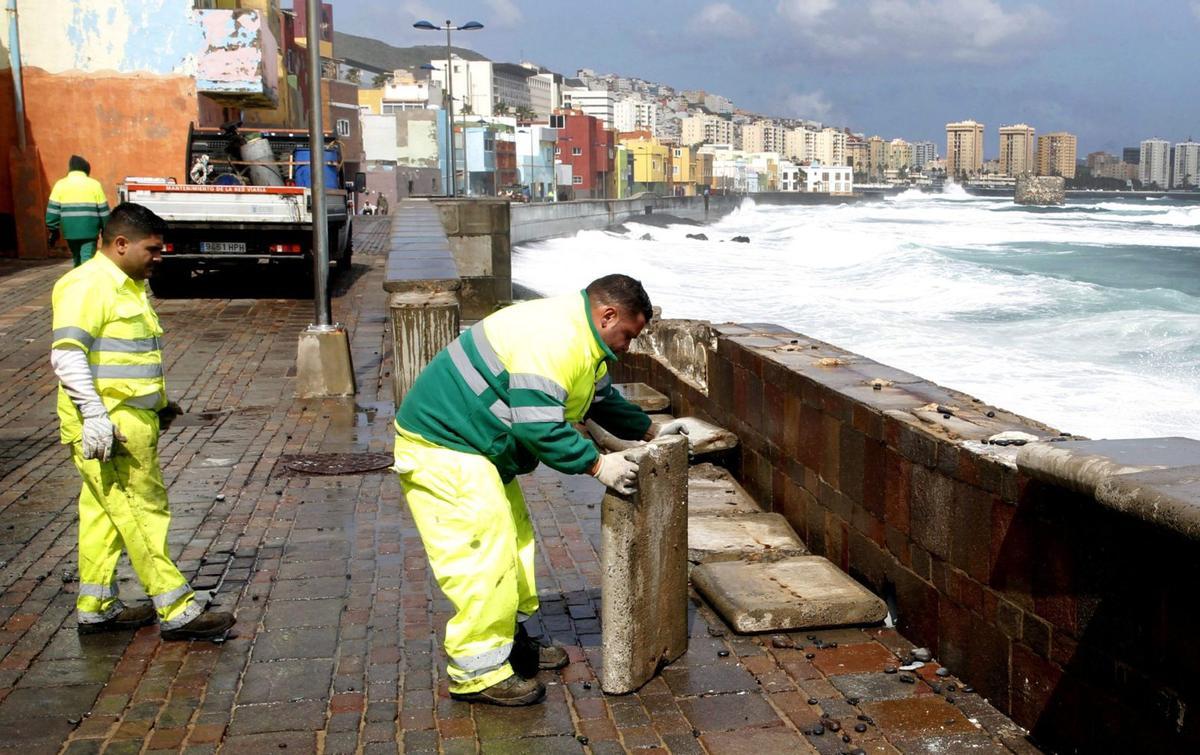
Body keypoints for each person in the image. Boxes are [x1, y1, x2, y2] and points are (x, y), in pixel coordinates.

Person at [392, 274, 688, 706]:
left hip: (477, 449)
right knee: (483, 558)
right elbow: (539, 427)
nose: (628, 346)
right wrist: (597, 464)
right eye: (628, 334)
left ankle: (508, 644)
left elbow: (600, 401)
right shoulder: (555, 340)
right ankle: (478, 674)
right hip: (444, 447)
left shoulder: (584, 341)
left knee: (514, 544)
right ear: (608, 316)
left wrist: (651, 430)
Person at [50, 202, 235, 640]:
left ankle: (96, 606)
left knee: (104, 516)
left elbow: (125, 358)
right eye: (152, 249)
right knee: (142, 513)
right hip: (110, 426)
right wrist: (95, 416)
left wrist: (158, 404)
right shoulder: (88, 285)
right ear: (120, 244)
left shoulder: (126, 286)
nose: (159, 257)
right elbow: (67, 355)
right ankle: (177, 608)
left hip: (124, 419)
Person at [46, 155, 110, 267]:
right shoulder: (94, 185)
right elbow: (104, 212)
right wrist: (106, 228)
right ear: (86, 170)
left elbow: (52, 212)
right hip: (90, 232)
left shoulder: (60, 185)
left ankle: (77, 275)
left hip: (70, 232)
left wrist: (53, 229)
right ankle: (86, 277)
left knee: (76, 259)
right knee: (87, 260)